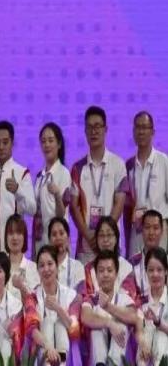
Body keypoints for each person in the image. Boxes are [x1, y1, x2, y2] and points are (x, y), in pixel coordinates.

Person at [68, 105, 127, 265]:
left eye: (98, 126)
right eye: (90, 127)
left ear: (105, 129)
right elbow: (74, 207)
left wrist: (104, 234)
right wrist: (88, 234)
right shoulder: (77, 168)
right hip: (86, 246)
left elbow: (120, 203)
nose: (94, 131)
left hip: (110, 243)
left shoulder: (118, 164)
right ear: (85, 131)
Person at [80, 250, 140, 366]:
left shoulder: (125, 298)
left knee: (122, 325)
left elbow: (133, 317)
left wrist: (108, 307)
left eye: (109, 270)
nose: (105, 274)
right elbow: (85, 317)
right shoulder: (91, 299)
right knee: (97, 327)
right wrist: (109, 323)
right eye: (101, 271)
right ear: (95, 274)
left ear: (116, 273)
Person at [26, 245, 81, 366]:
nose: (46, 269)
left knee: (60, 323)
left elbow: (75, 331)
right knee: (47, 322)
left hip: (66, 354)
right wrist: (48, 346)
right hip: (42, 353)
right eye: (41, 265)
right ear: (37, 270)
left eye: (50, 264)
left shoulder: (71, 295)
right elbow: (31, 329)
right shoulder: (32, 296)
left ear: (57, 267)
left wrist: (58, 308)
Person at [0, 121, 36, 252]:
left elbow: (32, 209)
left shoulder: (22, 173)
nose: (1, 147)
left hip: (14, 246)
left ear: (12, 143)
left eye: (5, 142)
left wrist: (17, 191)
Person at [125, 111, 168, 256]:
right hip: (137, 230)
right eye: (137, 127)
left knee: (158, 268)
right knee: (136, 267)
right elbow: (127, 207)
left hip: (159, 231)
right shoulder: (129, 165)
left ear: (153, 131)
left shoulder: (163, 161)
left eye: (144, 127)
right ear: (133, 132)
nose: (141, 131)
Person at [32, 123, 70, 255]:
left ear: (59, 144)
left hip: (56, 241)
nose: (46, 145)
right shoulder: (40, 176)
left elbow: (61, 214)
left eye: (50, 140)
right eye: (43, 141)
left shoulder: (64, 173)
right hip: (40, 241)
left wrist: (57, 195)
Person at [81, 216, 137, 302]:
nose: (105, 240)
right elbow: (87, 298)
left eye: (109, 235)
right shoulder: (88, 269)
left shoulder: (127, 267)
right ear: (96, 239)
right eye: (101, 235)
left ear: (116, 238)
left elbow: (129, 300)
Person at [137, 247, 168, 366]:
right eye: (151, 270)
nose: (155, 274)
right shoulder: (141, 299)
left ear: (166, 271)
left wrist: (159, 323)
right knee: (146, 330)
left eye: (159, 270)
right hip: (145, 353)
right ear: (146, 272)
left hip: (164, 355)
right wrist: (142, 341)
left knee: (161, 334)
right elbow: (137, 327)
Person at [130, 210, 165, 298]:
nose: (151, 232)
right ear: (142, 230)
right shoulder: (131, 263)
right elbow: (129, 297)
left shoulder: (166, 261)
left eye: (155, 228)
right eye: (147, 227)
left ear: (161, 231)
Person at [5, 214, 39, 302]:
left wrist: (22, 287)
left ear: (25, 237)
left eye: (19, 233)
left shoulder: (33, 268)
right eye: (11, 233)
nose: (15, 238)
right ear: (6, 237)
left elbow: (36, 300)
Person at [48, 217, 85, 291]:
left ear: (68, 238)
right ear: (49, 240)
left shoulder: (77, 267)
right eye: (54, 234)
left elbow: (80, 295)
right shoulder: (44, 267)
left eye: (61, 233)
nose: (58, 238)